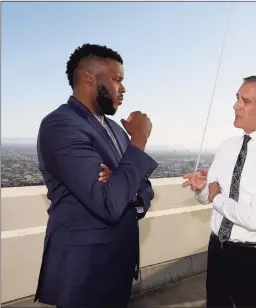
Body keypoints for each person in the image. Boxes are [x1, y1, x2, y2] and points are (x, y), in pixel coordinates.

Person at [35, 43, 158, 308]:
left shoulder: (114, 128)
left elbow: (144, 187)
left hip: (119, 265)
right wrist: (139, 139)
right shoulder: (61, 125)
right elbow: (108, 202)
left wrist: (129, 190)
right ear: (89, 79)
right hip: (84, 273)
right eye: (116, 80)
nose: (123, 88)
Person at [182, 75, 256, 307]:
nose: (236, 106)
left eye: (245, 101)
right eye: (237, 98)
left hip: (254, 260)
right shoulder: (226, 148)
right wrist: (201, 189)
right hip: (217, 252)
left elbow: (253, 219)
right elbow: (208, 196)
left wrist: (217, 197)